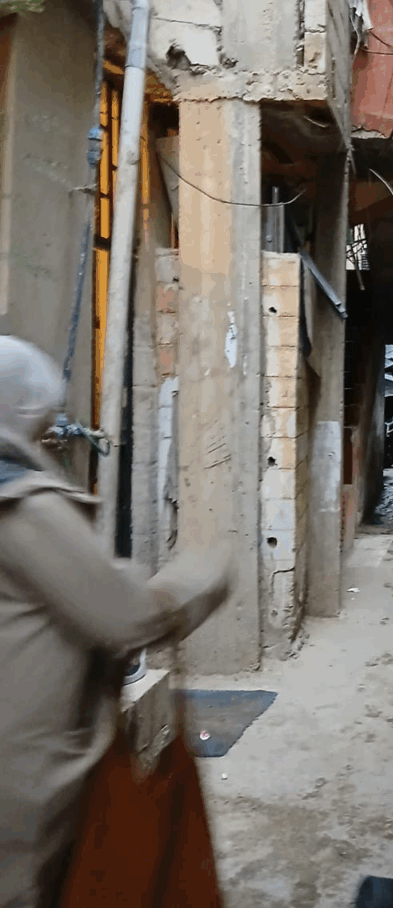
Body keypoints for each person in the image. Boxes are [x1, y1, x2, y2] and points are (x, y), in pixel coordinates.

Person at [0, 336, 235, 908]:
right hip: (20, 781)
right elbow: (127, 617)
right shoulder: (24, 506)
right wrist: (204, 575)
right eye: (46, 426)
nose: (52, 437)